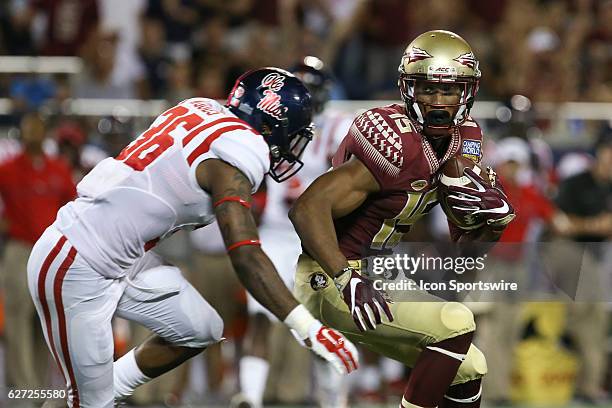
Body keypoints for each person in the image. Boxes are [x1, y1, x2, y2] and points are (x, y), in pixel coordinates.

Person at [27, 67, 358, 408]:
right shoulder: (239, 154)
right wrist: (306, 326)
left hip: (122, 255)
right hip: (77, 261)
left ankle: (98, 394)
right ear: (271, 125)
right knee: (89, 404)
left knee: (200, 328)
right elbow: (245, 253)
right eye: (292, 134)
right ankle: (88, 400)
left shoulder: (201, 108)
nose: (292, 146)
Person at [290, 30, 515, 408]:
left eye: (450, 90)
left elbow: (463, 257)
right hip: (331, 275)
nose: (438, 102)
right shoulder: (394, 140)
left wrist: (492, 225)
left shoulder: (466, 140)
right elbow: (307, 208)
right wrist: (346, 277)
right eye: (427, 89)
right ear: (408, 88)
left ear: (468, 92)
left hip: (382, 271)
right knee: (457, 321)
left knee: (470, 365)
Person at [235, 57, 354, 408]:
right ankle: (249, 398)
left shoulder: (336, 128)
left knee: (322, 323)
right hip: (275, 231)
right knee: (261, 316)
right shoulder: (269, 123)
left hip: (316, 237)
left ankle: (333, 400)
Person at [0, 113, 76, 394]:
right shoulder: (7, 168)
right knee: (18, 316)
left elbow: (73, 206)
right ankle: (22, 386)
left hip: (49, 252)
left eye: (36, 127)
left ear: (45, 133)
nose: (32, 132)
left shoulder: (58, 169)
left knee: (44, 317)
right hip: (19, 248)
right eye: (27, 127)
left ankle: (40, 387)